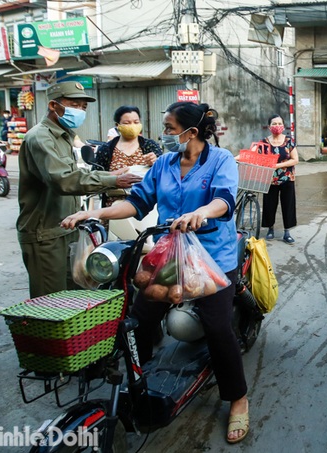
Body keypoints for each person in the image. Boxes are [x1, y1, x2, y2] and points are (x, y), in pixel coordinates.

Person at [61, 101, 250, 444]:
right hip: (170, 256)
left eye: (169, 128)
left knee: (217, 327)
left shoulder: (220, 160)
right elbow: (136, 202)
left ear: (191, 132)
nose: (163, 135)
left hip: (212, 258)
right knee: (140, 316)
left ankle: (237, 398)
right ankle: (140, 378)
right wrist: (96, 215)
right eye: (164, 127)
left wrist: (201, 213)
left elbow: (224, 200)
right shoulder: (163, 163)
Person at [16, 81, 142, 299]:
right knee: (50, 303)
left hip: (66, 227)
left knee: (74, 297)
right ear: (54, 106)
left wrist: (112, 176)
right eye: (74, 104)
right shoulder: (41, 137)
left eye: (83, 107)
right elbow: (64, 180)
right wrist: (113, 180)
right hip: (45, 233)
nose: (80, 111)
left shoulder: (63, 136)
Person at [95, 105, 162, 206]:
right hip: (113, 207)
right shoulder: (106, 149)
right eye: (127, 123)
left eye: (136, 122)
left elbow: (165, 173)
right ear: (117, 125)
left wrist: (156, 162)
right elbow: (96, 179)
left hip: (146, 206)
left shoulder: (150, 145)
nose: (132, 126)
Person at [261, 114, 299, 243]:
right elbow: (252, 152)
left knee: (288, 205)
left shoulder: (288, 141)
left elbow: (295, 160)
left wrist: (277, 165)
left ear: (283, 126)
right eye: (274, 124)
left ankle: (287, 231)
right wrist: (233, 158)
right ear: (269, 126)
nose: (277, 126)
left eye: (279, 123)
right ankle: (270, 229)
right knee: (269, 205)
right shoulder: (264, 142)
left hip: (287, 179)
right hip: (269, 179)